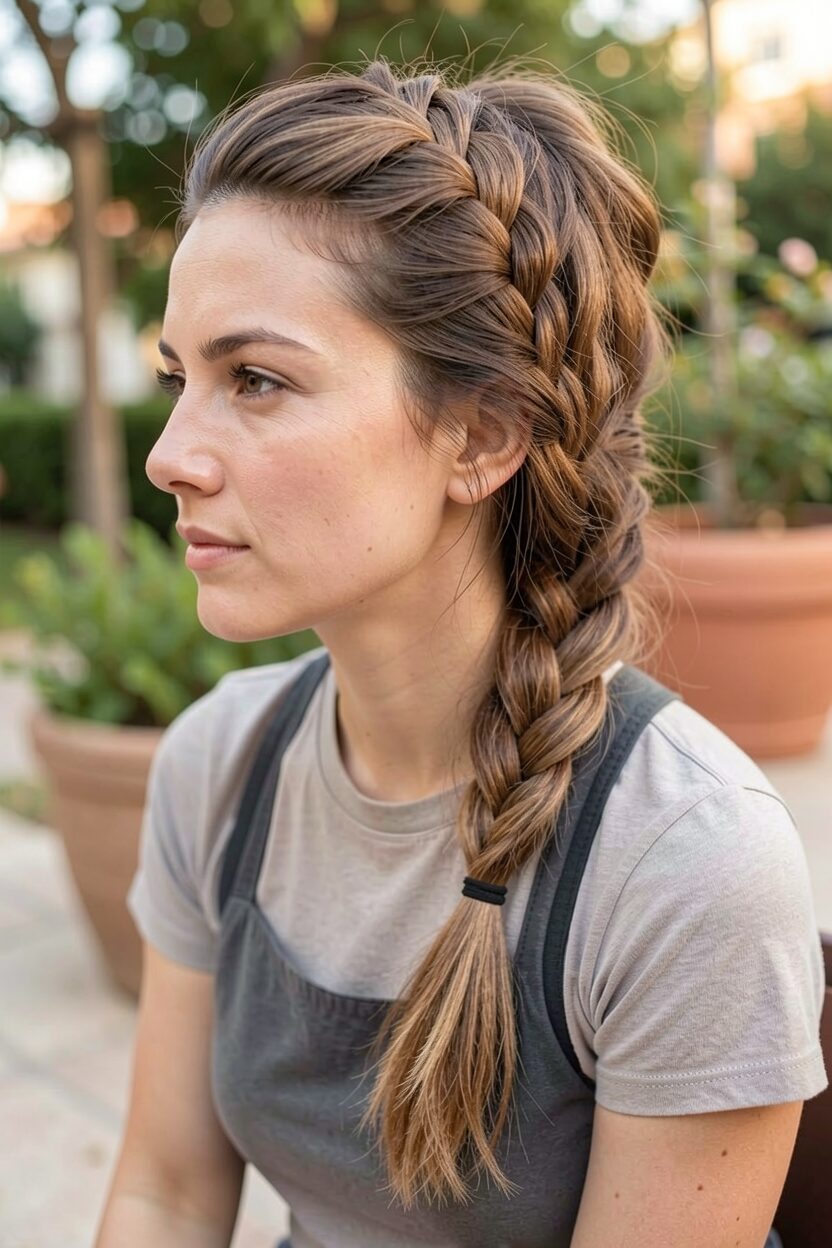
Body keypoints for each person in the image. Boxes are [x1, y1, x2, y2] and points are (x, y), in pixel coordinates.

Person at [95, 58, 827, 1248]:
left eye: (258, 380)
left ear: (480, 437)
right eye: (181, 379)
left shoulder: (680, 863)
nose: (171, 454)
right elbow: (165, 1194)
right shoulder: (220, 767)